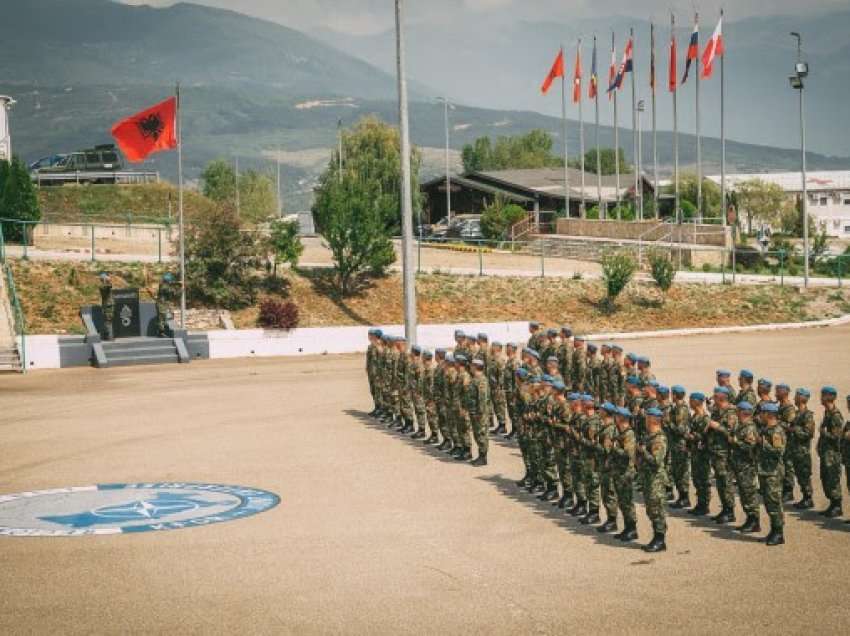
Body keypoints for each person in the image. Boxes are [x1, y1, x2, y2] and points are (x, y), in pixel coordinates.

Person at [637, 407, 668, 552]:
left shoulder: (658, 438)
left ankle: (660, 539)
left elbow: (656, 461)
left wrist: (643, 451)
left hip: (656, 479)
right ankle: (657, 537)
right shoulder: (648, 436)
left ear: (651, 420)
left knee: (656, 509)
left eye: (647, 418)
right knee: (651, 509)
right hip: (648, 478)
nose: (645, 420)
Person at [758, 402, 787, 546]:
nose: (760, 415)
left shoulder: (776, 431)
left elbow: (779, 451)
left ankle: (779, 533)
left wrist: (763, 444)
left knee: (774, 502)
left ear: (768, 414)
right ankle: (774, 530)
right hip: (765, 470)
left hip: (773, 472)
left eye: (762, 413)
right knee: (769, 502)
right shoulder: (766, 429)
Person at [708, 386, 738, 524]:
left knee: (726, 482)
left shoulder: (730, 412)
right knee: (720, 482)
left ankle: (730, 511)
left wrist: (717, 427)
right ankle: (725, 509)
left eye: (716, 395)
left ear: (722, 397)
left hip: (725, 453)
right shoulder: (717, 410)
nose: (713, 397)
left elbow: (732, 433)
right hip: (716, 452)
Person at [730, 402, 761, 533]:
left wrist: (735, 441)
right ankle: (750, 519)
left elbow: (750, 446)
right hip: (740, 465)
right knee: (744, 494)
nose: (736, 412)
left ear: (743, 412)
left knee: (749, 494)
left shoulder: (749, 428)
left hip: (747, 466)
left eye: (738, 410)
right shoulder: (741, 426)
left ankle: (754, 521)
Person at [817, 386, 845, 518]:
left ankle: (837, 506)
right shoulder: (827, 413)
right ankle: (832, 504)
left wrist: (824, 433)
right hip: (826, 453)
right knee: (826, 479)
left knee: (833, 480)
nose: (821, 397)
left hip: (833, 455)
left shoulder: (836, 416)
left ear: (829, 397)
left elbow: (837, 437)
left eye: (823, 395)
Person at [785, 387, 815, 510]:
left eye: (797, 395)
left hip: (802, 452)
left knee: (804, 475)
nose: (794, 397)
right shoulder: (797, 414)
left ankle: (808, 498)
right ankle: (805, 497)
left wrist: (794, 429)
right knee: (799, 474)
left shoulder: (807, 415)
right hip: (794, 450)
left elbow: (808, 433)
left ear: (803, 398)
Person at [611, 406, 638, 542]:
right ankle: (627, 527)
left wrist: (614, 448)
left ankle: (632, 529)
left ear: (621, 418)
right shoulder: (620, 432)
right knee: (622, 501)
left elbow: (628, 454)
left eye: (616, 416)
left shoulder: (629, 434)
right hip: (619, 472)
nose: (614, 418)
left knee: (627, 501)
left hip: (626, 473)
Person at [687, 392, 712, 516]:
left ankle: (704, 505)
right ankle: (700, 503)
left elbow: (706, 436)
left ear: (696, 401)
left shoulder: (704, 418)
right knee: (697, 479)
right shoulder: (695, 416)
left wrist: (693, 436)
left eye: (691, 400)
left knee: (703, 479)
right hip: (695, 452)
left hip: (702, 453)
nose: (689, 402)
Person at [578, 395, 602, 525]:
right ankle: (590, 510)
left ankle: (594, 512)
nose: (580, 406)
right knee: (587, 482)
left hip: (592, 458)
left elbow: (594, 443)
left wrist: (579, 439)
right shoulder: (588, 420)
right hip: (587, 457)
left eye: (583, 404)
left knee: (592, 484)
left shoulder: (593, 422)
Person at [596, 402, 620, 533]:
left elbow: (607, 450)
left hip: (608, 466)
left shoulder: (609, 429)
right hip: (603, 465)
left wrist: (594, 444)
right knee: (605, 493)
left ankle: (612, 520)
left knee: (609, 494)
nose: (599, 410)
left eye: (601, 409)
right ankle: (610, 519)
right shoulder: (605, 427)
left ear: (606, 412)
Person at [668, 385, 692, 509]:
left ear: (676, 395)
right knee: (677, 471)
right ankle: (682, 497)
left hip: (681, 445)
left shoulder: (681, 409)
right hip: (676, 444)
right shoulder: (677, 408)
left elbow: (681, 430)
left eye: (673, 394)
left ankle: (685, 497)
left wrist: (668, 422)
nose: (671, 396)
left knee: (682, 472)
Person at [465, 359, 491, 466]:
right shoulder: (475, 379)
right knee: (477, 434)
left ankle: (483, 457)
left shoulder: (481, 380)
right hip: (474, 411)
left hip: (480, 413)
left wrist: (479, 413)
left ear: (476, 366)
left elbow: (482, 399)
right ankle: (480, 455)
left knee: (481, 434)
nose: (470, 367)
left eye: (472, 365)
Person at [489, 342, 509, 435]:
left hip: (498, 388)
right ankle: (500, 424)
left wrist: (499, 386)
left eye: (493, 346)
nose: (491, 348)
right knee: (496, 406)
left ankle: (503, 425)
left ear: (497, 348)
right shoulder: (492, 359)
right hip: (493, 386)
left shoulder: (500, 360)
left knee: (500, 406)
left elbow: (501, 374)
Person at [98, 272, 114, 340]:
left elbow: (109, 285)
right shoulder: (103, 286)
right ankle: (109, 337)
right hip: (108, 306)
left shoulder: (102, 286)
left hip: (107, 306)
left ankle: (105, 336)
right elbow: (109, 285)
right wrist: (106, 279)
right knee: (108, 321)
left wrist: (106, 279)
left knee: (107, 321)